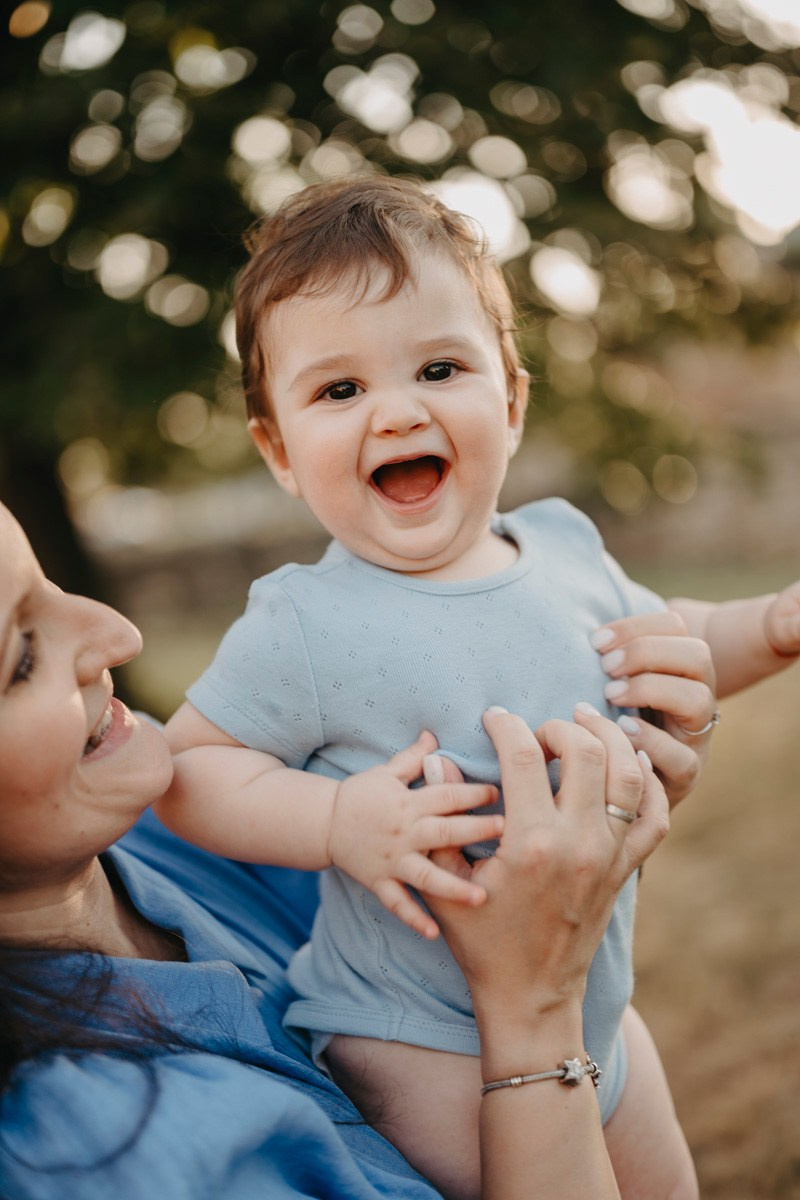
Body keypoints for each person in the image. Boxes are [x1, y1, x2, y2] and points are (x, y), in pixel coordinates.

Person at [156, 178, 800, 1199]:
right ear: (278, 451)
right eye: (339, 391)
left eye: (438, 368)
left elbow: (665, 644)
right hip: (414, 1038)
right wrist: (336, 820)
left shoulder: (563, 546)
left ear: (509, 400)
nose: (396, 411)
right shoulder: (305, 623)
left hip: (594, 998)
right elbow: (189, 770)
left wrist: (766, 627)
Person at [0, 499, 673, 1199]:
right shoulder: (98, 1160)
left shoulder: (153, 815)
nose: (119, 634)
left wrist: (610, 801)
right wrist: (535, 1015)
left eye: (48, 584)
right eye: (23, 659)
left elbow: (456, 889)